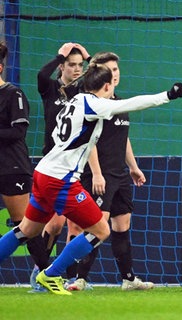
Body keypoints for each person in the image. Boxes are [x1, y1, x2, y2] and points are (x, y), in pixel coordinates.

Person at [0, 62, 182, 295]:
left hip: (44, 171)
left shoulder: (74, 100)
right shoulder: (94, 104)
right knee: (100, 230)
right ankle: (50, 274)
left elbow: (59, 134)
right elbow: (132, 103)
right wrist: (167, 96)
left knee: (26, 229)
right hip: (60, 179)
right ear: (107, 86)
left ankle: (49, 274)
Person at [65, 52, 154, 291]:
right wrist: (96, 173)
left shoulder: (120, 104)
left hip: (119, 174)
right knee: (96, 227)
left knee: (122, 225)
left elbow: (123, 139)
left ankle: (128, 279)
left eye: (116, 70)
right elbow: (88, 141)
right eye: (109, 70)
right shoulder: (92, 105)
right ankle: (79, 279)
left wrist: (133, 167)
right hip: (99, 176)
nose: (114, 74)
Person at [27, 42, 91, 290]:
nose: (77, 69)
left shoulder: (82, 91)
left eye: (80, 65)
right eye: (71, 65)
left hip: (74, 165)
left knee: (75, 225)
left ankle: (71, 277)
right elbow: (42, 74)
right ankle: (41, 271)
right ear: (62, 66)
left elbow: (103, 73)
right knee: (53, 225)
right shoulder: (50, 88)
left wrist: (88, 57)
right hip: (51, 166)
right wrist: (60, 55)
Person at [0, 42, 33, 253]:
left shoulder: (13, 94)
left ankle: (45, 272)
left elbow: (18, 132)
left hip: (12, 167)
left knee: (25, 226)